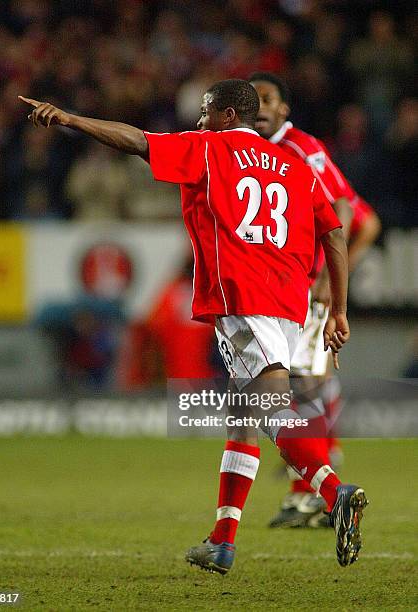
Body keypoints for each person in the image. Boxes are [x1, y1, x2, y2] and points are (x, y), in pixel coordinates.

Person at [19, 79, 367, 574]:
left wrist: (71, 120)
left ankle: (336, 493)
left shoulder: (209, 148)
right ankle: (222, 541)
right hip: (289, 303)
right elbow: (333, 231)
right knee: (245, 417)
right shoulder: (292, 165)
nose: (198, 120)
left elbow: (136, 140)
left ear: (226, 115)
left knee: (267, 409)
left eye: (205, 112)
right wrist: (339, 309)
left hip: (243, 298)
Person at [249, 71, 380, 527]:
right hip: (282, 288)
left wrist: (328, 277)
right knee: (307, 385)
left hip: (308, 287)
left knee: (301, 385)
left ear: (284, 108)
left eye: (268, 98)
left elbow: (349, 210)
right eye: (253, 99)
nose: (260, 106)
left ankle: (309, 493)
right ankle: (318, 480)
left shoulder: (302, 150)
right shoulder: (251, 150)